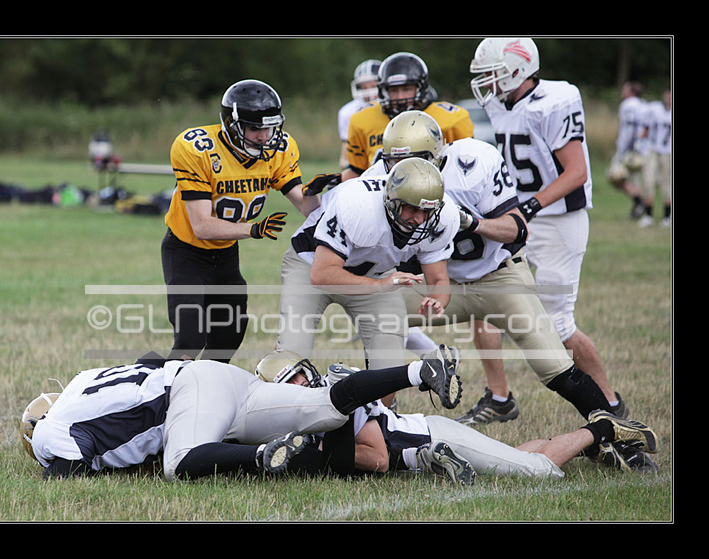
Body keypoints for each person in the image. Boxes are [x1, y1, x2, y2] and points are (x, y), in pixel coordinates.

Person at [370, 109, 651, 472]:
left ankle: (622, 439)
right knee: (379, 314)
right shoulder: (380, 179)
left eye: (412, 160)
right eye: (393, 162)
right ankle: (380, 426)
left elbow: (518, 229)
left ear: (437, 156)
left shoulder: (474, 163)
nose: (401, 170)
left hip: (498, 277)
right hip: (442, 284)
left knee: (555, 367)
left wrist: (473, 223)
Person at [465, 38, 628, 432]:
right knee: (482, 299)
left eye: (493, 73)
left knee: (557, 324)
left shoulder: (555, 100)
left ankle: (611, 406)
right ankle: (499, 398)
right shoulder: (498, 103)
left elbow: (577, 172)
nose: (487, 82)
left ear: (518, 69)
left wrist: (530, 207)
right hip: (517, 217)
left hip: (557, 220)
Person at [20, 344, 463, 481]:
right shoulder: (84, 379)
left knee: (179, 463)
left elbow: (67, 470)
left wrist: (49, 474)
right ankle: (418, 371)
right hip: (219, 378)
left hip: (189, 396)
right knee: (324, 405)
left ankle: (259, 457)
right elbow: (150, 358)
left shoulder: (51, 430)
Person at [261, 359, 660, 479]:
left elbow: (378, 458)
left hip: (434, 436)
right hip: (428, 444)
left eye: (298, 376)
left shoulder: (337, 397)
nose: (300, 385)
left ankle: (604, 427)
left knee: (537, 473)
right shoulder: (300, 416)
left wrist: (322, 458)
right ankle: (588, 446)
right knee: (513, 458)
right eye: (289, 383)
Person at [276, 157, 460, 408]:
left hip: (377, 273)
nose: (420, 219)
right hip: (311, 265)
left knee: (389, 369)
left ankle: (377, 419)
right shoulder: (358, 205)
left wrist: (437, 300)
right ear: (392, 202)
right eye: (412, 209)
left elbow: (439, 278)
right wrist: (380, 285)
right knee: (291, 358)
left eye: (427, 211)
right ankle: (281, 416)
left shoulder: (443, 217)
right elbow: (322, 275)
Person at [161, 79, 322, 364]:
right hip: (187, 252)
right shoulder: (198, 148)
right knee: (190, 340)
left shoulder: (278, 149)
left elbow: (305, 206)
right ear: (232, 125)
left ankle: (207, 386)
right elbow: (201, 226)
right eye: (255, 128)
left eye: (268, 128)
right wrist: (253, 229)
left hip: (226, 254)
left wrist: (316, 193)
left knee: (228, 337)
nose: (264, 136)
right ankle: (152, 384)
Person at [342, 51, 474, 182]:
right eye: (394, 90)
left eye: (406, 89)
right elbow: (357, 170)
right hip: (379, 191)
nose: (400, 97)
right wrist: (337, 181)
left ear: (420, 88)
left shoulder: (453, 120)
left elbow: (467, 167)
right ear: (384, 91)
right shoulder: (363, 119)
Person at [607, 81, 648, 219]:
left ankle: (639, 201)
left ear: (631, 92)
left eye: (625, 89)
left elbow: (630, 128)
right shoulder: (643, 104)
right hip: (644, 148)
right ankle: (638, 207)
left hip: (630, 148)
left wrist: (624, 149)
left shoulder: (627, 105)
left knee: (615, 176)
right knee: (635, 179)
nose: (622, 92)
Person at [337, 59, 381, 170]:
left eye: (373, 86)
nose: (369, 92)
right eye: (364, 87)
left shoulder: (393, 107)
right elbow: (343, 162)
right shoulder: (348, 112)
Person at [639, 88, 672, 228]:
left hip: (668, 152)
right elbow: (645, 127)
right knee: (648, 181)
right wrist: (640, 142)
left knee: (666, 183)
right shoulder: (655, 110)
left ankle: (667, 216)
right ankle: (648, 215)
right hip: (653, 150)